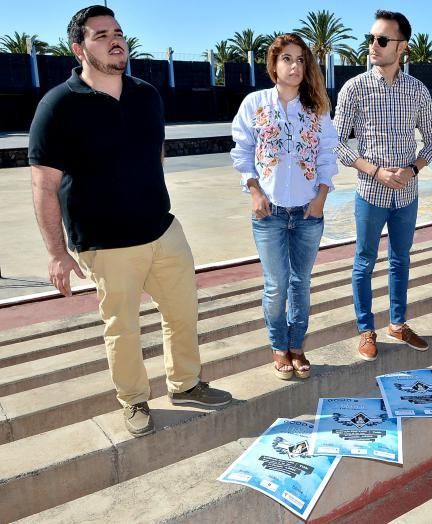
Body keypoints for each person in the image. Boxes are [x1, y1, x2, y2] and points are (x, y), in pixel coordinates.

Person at [28, 5, 231, 438]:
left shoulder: (147, 94)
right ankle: (134, 400)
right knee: (122, 328)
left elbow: (154, 151)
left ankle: (186, 384)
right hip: (104, 241)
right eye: (101, 35)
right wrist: (56, 253)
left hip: (161, 228)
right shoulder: (58, 106)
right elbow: (44, 185)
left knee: (184, 312)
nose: (114, 39)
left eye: (117, 32)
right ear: (79, 48)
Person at [333, 10, 432, 361]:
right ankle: (366, 329)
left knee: (401, 260)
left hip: (407, 196)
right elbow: (336, 143)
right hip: (370, 194)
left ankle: (398, 323)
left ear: (402, 47)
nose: (373, 46)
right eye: (371, 39)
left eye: (382, 40)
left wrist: (413, 169)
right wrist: (375, 171)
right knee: (364, 261)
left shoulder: (417, 91)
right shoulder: (355, 89)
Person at [231, 34, 337, 380]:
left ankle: (297, 345)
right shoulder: (255, 104)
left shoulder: (316, 108)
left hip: (307, 213)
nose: (294, 66)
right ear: (274, 64)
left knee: (300, 283)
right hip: (269, 213)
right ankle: (279, 347)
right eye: (287, 59)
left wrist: (320, 198)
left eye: (300, 60)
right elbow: (242, 151)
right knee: (276, 284)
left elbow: (326, 155)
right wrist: (254, 191)